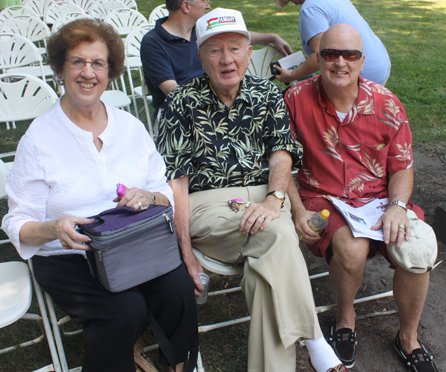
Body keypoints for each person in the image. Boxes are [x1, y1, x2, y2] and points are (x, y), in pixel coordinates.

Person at [157, 7, 349, 372]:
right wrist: (185, 254)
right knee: (279, 235)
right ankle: (315, 340)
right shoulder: (181, 102)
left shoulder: (267, 94)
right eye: (214, 50)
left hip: (264, 200)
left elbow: (281, 159)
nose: (226, 59)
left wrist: (275, 198)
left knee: (266, 271)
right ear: (200, 57)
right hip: (206, 208)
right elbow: (176, 185)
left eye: (234, 47)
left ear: (248, 50)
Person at [1, 19, 198, 372]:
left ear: (111, 72)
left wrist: (150, 197)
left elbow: (165, 190)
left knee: (178, 290)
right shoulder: (39, 138)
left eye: (98, 63)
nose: (87, 72)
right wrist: (54, 228)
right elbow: (17, 222)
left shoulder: (130, 127)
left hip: (132, 244)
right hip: (69, 256)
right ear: (60, 69)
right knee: (125, 311)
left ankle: (176, 366)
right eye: (77, 61)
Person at [285, 24, 439, 372]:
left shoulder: (386, 104)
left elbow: (402, 166)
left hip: (378, 198)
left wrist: (398, 207)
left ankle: (408, 338)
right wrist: (294, 208)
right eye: (330, 54)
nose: (340, 63)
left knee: (417, 249)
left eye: (350, 55)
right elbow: (281, 160)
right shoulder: (296, 99)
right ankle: (344, 318)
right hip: (323, 196)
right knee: (352, 249)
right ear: (319, 59)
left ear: (362, 60)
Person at [141, 0, 294, 116]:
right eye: (204, 0)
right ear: (186, 6)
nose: (208, 5)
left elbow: (234, 37)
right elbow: (174, 92)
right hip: (181, 112)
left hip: (222, 100)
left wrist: (272, 38)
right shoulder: (153, 43)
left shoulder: (200, 32)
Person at [273, 0, 391, 86]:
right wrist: (305, 61)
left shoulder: (310, 8)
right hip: (380, 66)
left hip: (362, 77)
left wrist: (291, 75)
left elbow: (318, 56)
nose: (291, 3)